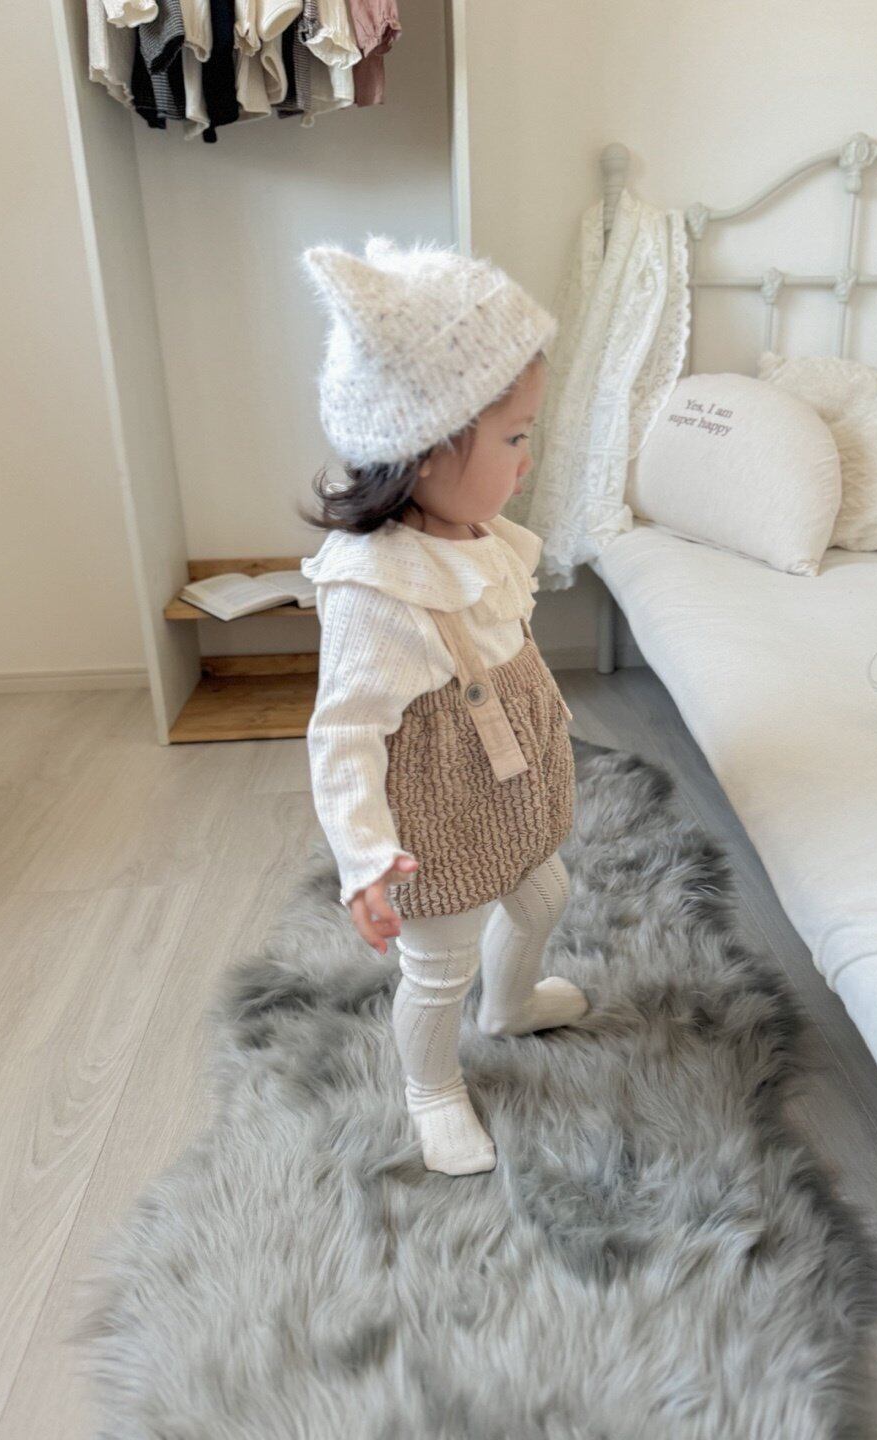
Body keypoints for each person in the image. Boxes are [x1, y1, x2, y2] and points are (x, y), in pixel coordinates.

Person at [299, 235, 588, 1177]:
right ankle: (431, 1088)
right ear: (422, 450)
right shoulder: (378, 591)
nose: (527, 459)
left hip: (508, 784)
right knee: (439, 965)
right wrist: (366, 860)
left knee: (544, 892)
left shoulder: (476, 535)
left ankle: (511, 1005)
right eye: (513, 438)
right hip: (437, 817)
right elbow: (344, 734)